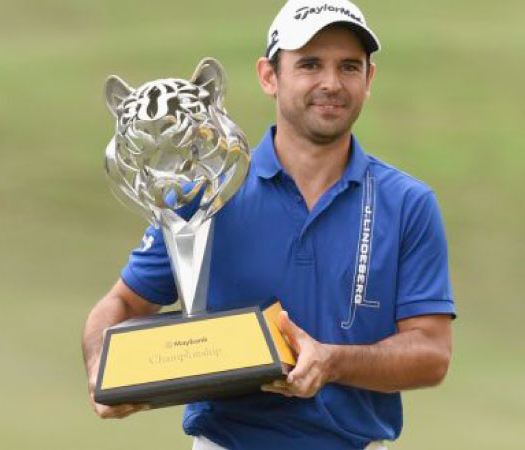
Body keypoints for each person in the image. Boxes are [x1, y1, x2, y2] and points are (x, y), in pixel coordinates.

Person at [82, 1, 456, 449]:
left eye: (349, 67)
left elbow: (431, 354)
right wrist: (104, 369)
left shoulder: (408, 203)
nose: (331, 83)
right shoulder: (205, 192)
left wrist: (332, 362)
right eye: (310, 64)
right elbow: (120, 305)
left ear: (369, 80)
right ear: (268, 76)